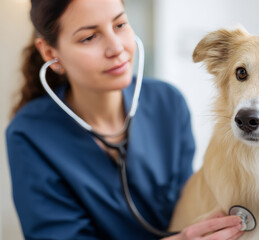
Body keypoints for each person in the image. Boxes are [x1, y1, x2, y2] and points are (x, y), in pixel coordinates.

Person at [6, 0, 244, 239]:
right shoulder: (29, 134)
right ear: (50, 53)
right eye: (89, 37)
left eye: (120, 25)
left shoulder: (167, 102)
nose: (116, 48)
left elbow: (189, 203)